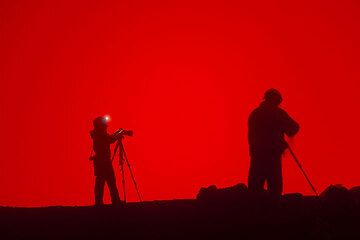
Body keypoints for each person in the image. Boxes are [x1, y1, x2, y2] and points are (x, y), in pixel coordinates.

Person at [248, 89, 300, 197]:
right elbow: (294, 128)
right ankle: (274, 211)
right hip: (273, 157)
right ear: (277, 101)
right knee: (275, 190)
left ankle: (253, 211)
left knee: (254, 189)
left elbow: (251, 137)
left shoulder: (255, 114)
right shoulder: (278, 114)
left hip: (257, 156)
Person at [90, 116, 121, 206]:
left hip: (101, 161)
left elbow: (109, 138)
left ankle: (100, 202)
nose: (106, 126)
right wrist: (118, 134)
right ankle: (114, 201)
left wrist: (117, 133)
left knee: (102, 182)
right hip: (103, 162)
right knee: (108, 181)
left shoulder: (98, 134)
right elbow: (109, 139)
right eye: (104, 124)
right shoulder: (100, 134)